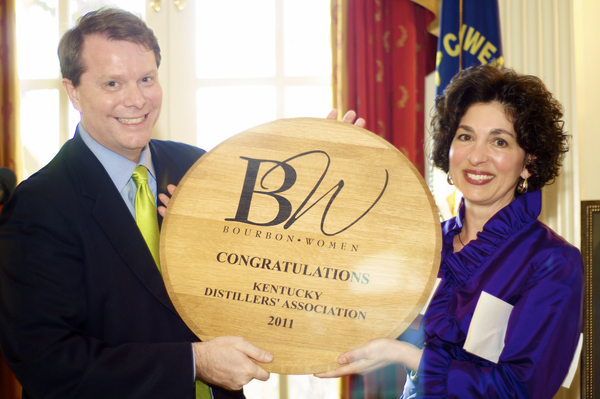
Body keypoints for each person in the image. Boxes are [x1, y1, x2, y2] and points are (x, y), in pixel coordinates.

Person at [0, 8, 277, 399]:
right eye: (113, 83)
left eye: (146, 79)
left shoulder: (197, 166)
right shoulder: (37, 208)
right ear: (73, 91)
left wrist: (343, 167)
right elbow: (48, 361)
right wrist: (194, 363)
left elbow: (267, 269)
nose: (136, 99)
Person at [317, 63, 584, 398]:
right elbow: (341, 300)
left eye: (499, 141)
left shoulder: (553, 262)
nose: (476, 156)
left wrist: (406, 355)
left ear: (528, 163)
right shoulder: (426, 244)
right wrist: (326, 183)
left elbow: (522, 388)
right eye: (465, 136)